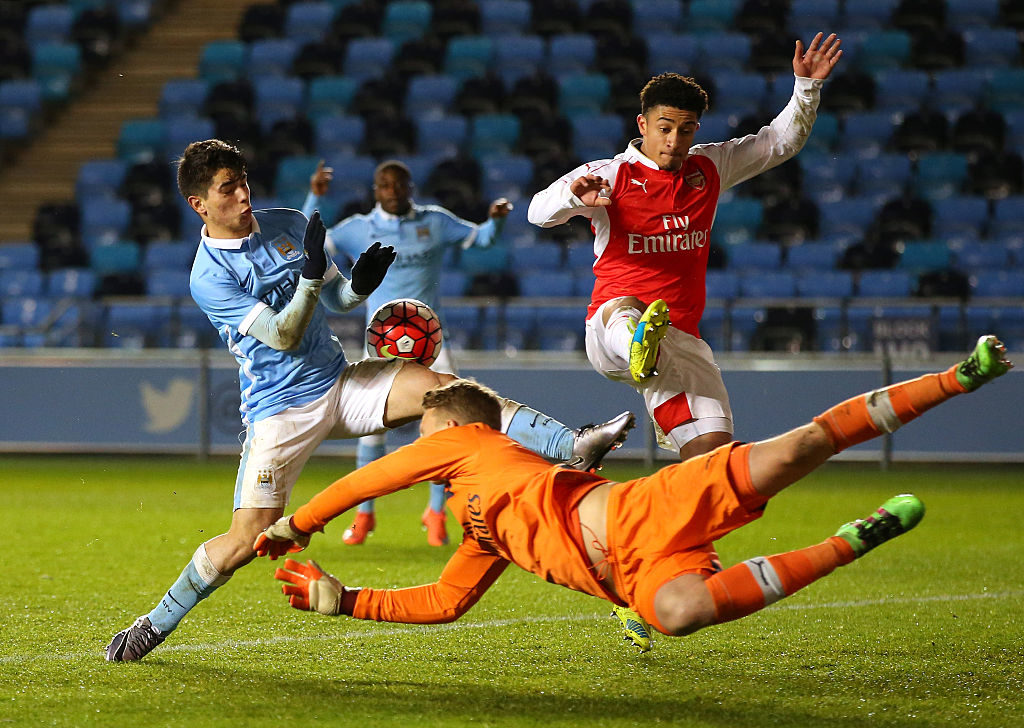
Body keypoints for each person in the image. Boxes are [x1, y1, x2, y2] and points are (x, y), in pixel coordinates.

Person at [104, 139, 634, 662]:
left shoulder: (287, 222)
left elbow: (337, 298)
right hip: (280, 411)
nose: (243, 196)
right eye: (228, 189)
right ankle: (154, 623)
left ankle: (572, 444)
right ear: (198, 204)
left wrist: (359, 285)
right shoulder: (208, 276)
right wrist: (310, 279)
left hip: (340, 383)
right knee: (247, 538)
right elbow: (283, 335)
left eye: (243, 182)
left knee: (449, 392)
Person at [255, 335, 1012, 652]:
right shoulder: (480, 526)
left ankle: (957, 377)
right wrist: (345, 602)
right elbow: (446, 602)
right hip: (636, 571)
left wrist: (299, 521)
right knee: (678, 613)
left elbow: (371, 477)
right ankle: (852, 541)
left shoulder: (468, 441)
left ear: (452, 423)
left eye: (423, 426)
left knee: (798, 447)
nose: (415, 440)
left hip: (645, 508)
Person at [527, 32, 843, 462]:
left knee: (713, 459)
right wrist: (570, 197)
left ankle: (681, 497)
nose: (674, 140)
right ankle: (639, 346)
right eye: (664, 128)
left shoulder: (709, 167)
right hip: (610, 331)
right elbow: (537, 212)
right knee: (627, 309)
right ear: (643, 125)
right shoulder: (610, 176)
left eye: (685, 129)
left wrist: (806, 87)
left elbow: (778, 143)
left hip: (680, 338)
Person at [299, 158, 513, 547]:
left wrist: (496, 220)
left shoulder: (435, 221)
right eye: (385, 185)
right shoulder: (357, 228)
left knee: (448, 425)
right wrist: (316, 198)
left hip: (432, 342)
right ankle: (365, 515)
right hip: (379, 343)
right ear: (375, 191)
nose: (393, 191)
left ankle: (436, 512)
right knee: (371, 431)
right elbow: (311, 243)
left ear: (411, 188)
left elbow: (481, 238)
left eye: (399, 184)